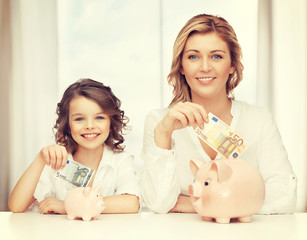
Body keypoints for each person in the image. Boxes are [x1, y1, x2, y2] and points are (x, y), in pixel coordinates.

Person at [140, 14, 297, 214]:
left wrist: (197, 203)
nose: (205, 67)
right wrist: (163, 134)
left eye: (216, 56)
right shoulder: (158, 122)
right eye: (193, 56)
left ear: (232, 64)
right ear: (181, 66)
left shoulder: (258, 119)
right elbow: (158, 204)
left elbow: (285, 196)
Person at [9, 78, 140, 214]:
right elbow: (16, 206)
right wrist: (40, 159)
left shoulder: (120, 161)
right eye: (79, 119)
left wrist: (68, 206)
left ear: (111, 124)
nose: (89, 125)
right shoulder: (56, 161)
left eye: (99, 117)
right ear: (67, 124)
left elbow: (131, 203)